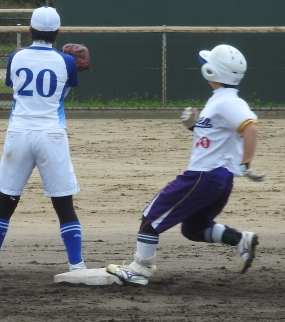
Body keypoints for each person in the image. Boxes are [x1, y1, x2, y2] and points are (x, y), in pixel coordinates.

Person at [106, 44, 264, 286]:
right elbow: (216, 138)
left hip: (204, 177)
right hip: (217, 179)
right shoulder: (221, 100)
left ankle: (140, 270)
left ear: (212, 72)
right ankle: (239, 239)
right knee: (194, 228)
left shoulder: (227, 102)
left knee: (151, 218)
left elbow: (250, 126)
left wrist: (246, 165)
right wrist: (194, 127)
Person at [0, 6, 85, 278]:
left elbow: (12, 85)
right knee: (63, 204)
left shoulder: (15, 57)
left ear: (30, 30)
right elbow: (67, 87)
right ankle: (76, 266)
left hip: (19, 132)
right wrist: (69, 61)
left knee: (6, 201)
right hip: (51, 134)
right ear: (58, 32)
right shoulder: (67, 61)